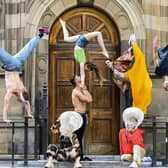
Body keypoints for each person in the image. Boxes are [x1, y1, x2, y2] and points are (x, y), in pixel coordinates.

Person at [2, 28, 49, 122]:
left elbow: (27, 103)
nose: (19, 100)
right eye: (19, 99)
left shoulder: (23, 90)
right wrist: (5, 118)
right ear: (20, 95)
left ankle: (41, 35)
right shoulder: (13, 89)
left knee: (28, 48)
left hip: (18, 63)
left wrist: (29, 113)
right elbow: (6, 103)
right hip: (11, 65)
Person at [105, 34, 152, 114]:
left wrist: (112, 66)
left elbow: (120, 76)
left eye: (130, 51)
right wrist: (113, 65)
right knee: (131, 113)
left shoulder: (137, 64)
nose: (127, 53)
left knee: (132, 113)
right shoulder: (135, 63)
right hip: (132, 89)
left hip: (132, 90)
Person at [60, 19, 109, 88]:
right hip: (81, 41)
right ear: (87, 66)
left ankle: (63, 24)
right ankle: (104, 50)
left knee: (66, 39)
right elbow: (82, 74)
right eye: (87, 69)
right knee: (98, 33)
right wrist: (82, 83)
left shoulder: (82, 60)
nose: (85, 70)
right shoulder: (82, 61)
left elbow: (82, 73)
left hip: (80, 41)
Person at [70, 75, 93, 161]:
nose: (80, 77)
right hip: (78, 116)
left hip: (82, 115)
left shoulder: (80, 90)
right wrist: (85, 89)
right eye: (78, 77)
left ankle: (80, 156)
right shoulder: (76, 91)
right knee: (78, 137)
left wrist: (84, 89)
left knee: (79, 136)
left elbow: (90, 98)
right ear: (76, 81)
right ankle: (78, 156)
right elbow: (89, 99)